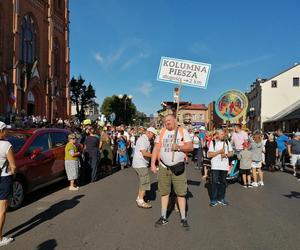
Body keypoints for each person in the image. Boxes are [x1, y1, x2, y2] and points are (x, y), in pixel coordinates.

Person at [151, 114, 193, 229]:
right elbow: (156, 148)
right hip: (164, 167)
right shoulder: (162, 132)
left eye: (169, 120)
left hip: (178, 168)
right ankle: (163, 217)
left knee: (181, 193)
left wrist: (179, 147)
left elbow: (190, 147)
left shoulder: (182, 131)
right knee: (164, 193)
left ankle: (183, 218)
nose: (167, 122)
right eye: (165, 121)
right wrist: (153, 164)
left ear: (175, 120)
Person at [0, 122, 16, 246]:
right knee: (2, 209)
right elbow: (13, 166)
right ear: (1, 131)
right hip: (4, 178)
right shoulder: (6, 145)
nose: (7, 132)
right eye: (5, 130)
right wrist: (13, 174)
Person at [207, 129, 233, 207]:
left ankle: (221, 198)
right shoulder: (213, 142)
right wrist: (219, 152)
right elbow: (209, 155)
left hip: (224, 166)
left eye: (223, 134)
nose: (223, 135)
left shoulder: (227, 142)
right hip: (215, 166)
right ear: (217, 135)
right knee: (214, 182)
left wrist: (226, 155)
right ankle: (214, 199)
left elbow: (231, 153)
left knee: (223, 182)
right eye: (221, 134)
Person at [132, 127, 157, 209]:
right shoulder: (143, 139)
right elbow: (144, 153)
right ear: (149, 132)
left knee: (142, 181)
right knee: (145, 182)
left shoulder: (144, 139)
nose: (153, 137)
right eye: (153, 135)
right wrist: (155, 156)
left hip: (139, 163)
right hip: (140, 164)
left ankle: (140, 197)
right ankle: (140, 200)